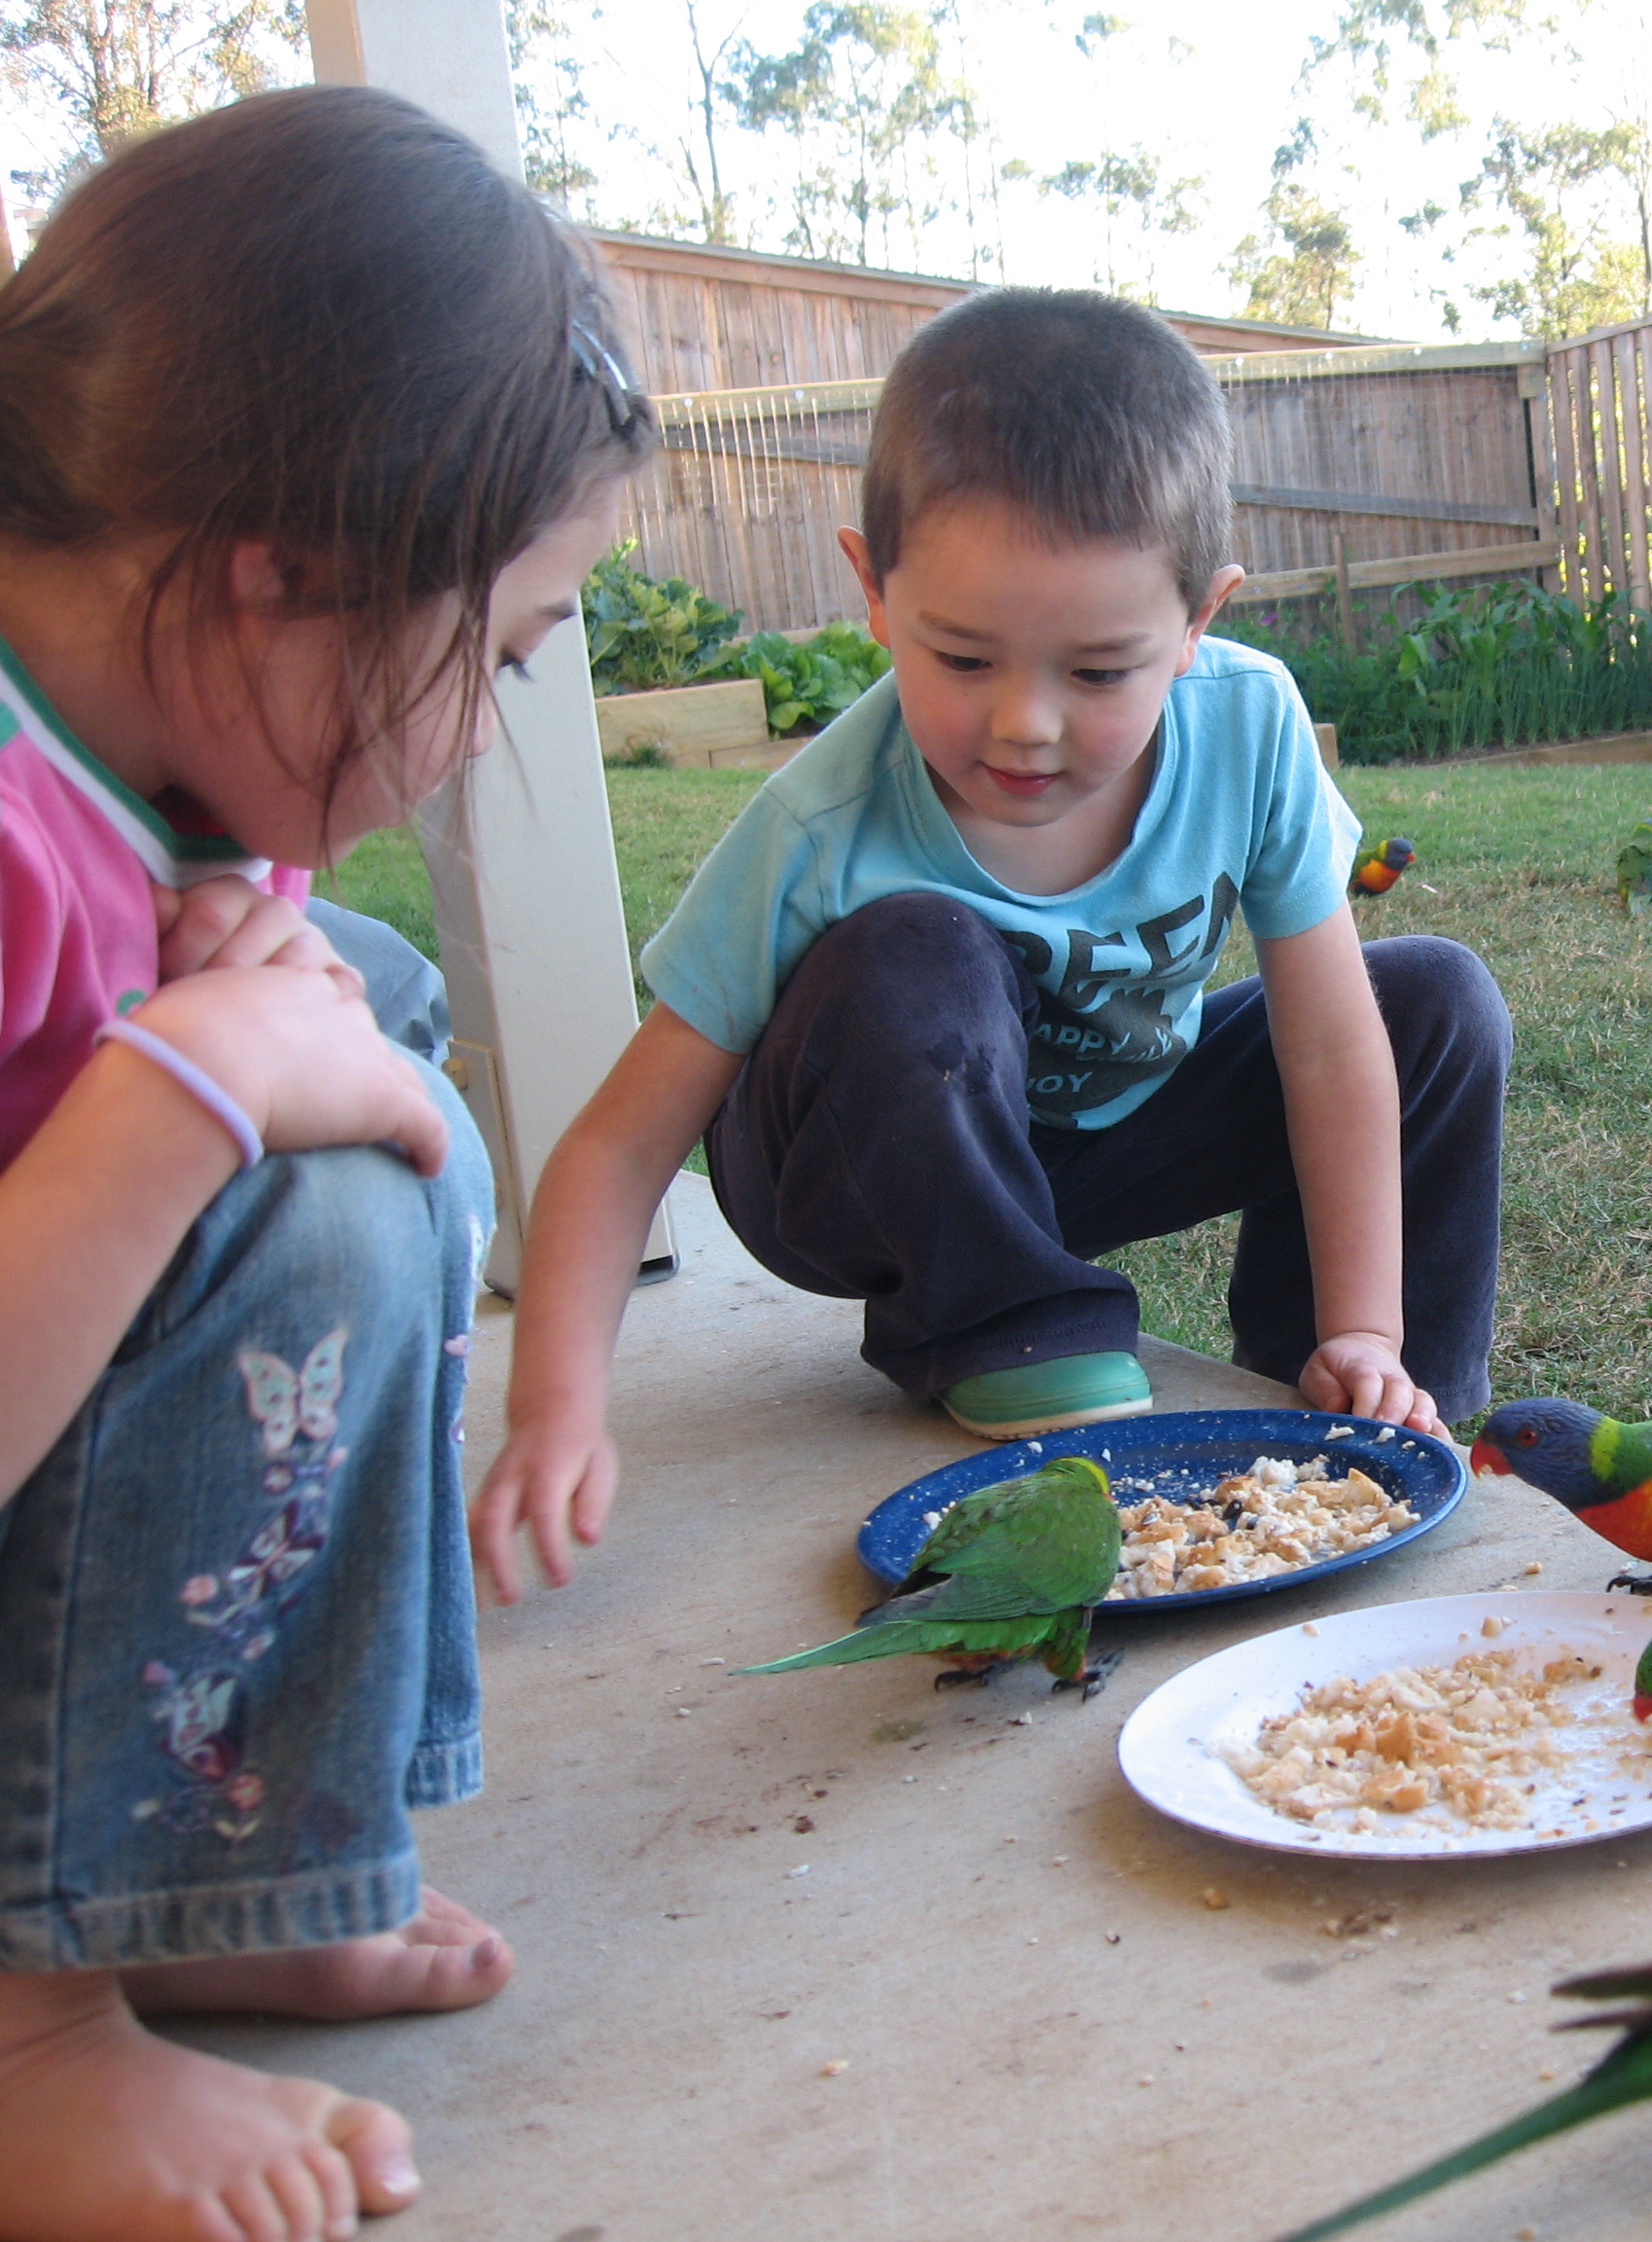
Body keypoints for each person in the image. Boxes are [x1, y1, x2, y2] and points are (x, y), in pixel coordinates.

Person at [0, 88, 653, 2241]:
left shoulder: (131, 729)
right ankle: (26, 2021)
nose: (494, 722)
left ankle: (214, 1863)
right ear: (279, 571)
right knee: (329, 1196)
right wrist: (176, 1086)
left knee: (360, 1013)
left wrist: (248, 973)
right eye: (516, 642)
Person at [473, 287, 1509, 1604]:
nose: (1023, 725)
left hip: (1070, 1150)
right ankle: (1009, 1328)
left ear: (1200, 620)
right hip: (849, 1165)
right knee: (919, 949)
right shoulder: (823, 821)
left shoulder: (1250, 725)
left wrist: (1367, 1322)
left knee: (1428, 1001)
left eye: (1096, 672)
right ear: (871, 590)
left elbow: (1327, 1044)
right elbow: (621, 1144)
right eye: (961, 657)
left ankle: (1347, 1396)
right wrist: (555, 1408)